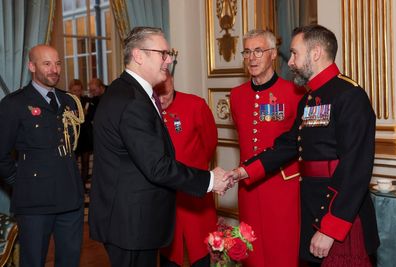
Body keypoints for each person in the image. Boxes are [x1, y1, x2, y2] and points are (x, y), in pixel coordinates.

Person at [231, 25, 380, 266]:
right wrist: (245, 171)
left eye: (295, 54)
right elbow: (289, 145)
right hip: (311, 209)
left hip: (339, 214)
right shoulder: (310, 98)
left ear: (316, 53)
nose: (290, 62)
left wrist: (330, 228)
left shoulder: (350, 96)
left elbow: (355, 170)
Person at [88, 26, 230, 267]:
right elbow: (157, 166)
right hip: (130, 224)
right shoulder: (132, 101)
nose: (170, 59)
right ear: (138, 55)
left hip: (129, 220)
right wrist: (209, 180)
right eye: (163, 53)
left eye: (170, 53)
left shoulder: (125, 91)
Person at [0, 45, 85, 267]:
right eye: (47, 64)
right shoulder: (14, 104)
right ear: (32, 66)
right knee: (33, 262)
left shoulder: (68, 101)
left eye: (57, 63)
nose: (54, 69)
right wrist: (18, 182)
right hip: (34, 201)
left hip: (70, 198)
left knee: (70, 261)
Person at [229, 29, 304, 267]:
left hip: (283, 189)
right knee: (253, 254)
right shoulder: (236, 95)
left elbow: (297, 143)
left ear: (272, 54)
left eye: (258, 51)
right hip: (248, 189)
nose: (252, 57)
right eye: (247, 51)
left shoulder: (294, 92)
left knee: (283, 252)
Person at [154, 71, 218, 267]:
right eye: (158, 95)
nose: (162, 100)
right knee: (168, 250)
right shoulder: (146, 110)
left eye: (166, 93)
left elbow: (210, 144)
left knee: (201, 249)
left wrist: (195, 171)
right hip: (164, 194)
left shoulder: (195, 105)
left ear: (173, 81)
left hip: (194, 192)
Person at [68, 79, 93, 187]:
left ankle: (83, 186)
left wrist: (87, 113)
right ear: (70, 91)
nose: (77, 93)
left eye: (79, 90)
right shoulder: (67, 102)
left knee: (86, 162)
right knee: (73, 163)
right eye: (74, 90)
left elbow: (93, 116)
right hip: (74, 137)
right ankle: (76, 186)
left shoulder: (86, 101)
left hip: (85, 135)